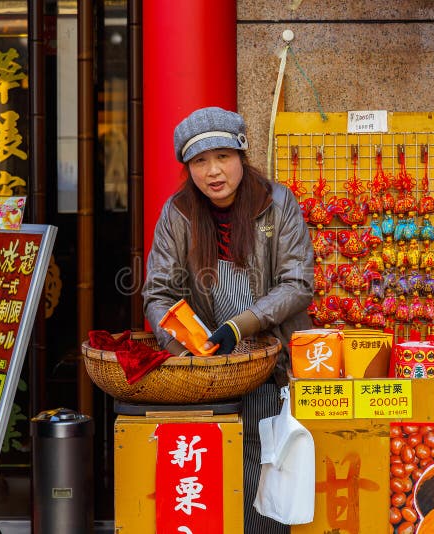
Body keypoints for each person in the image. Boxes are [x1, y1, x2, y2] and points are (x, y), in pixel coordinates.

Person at [143, 106, 313, 532]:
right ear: (188, 168)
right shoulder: (179, 213)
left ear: (242, 155)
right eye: (199, 161)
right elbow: (157, 292)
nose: (212, 171)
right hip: (210, 368)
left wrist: (239, 326)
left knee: (267, 459)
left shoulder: (277, 203)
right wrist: (183, 348)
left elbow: (297, 283)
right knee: (215, 464)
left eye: (222, 157)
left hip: (272, 362)